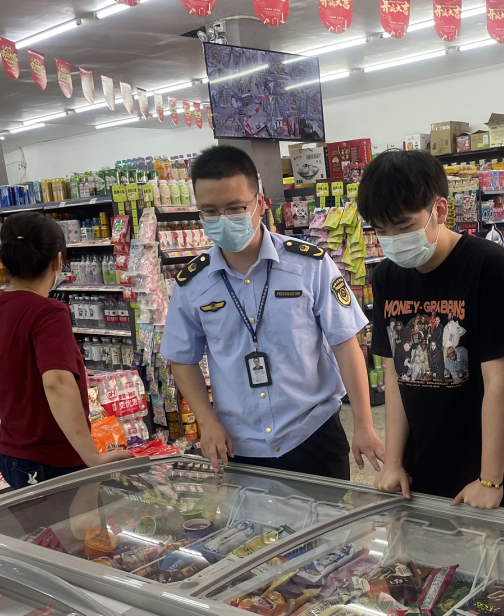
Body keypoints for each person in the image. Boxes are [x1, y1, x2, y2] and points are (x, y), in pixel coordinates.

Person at [161, 145, 383, 480]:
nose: (223, 220)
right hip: (238, 444)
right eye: (210, 211)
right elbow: (181, 358)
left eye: (235, 208)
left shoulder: (310, 265)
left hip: (313, 435)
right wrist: (206, 421)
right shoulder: (192, 283)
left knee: (329, 517)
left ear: (261, 203)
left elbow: (344, 343)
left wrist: (364, 425)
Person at [357, 149, 504, 510]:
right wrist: (394, 461)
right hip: (421, 463)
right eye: (381, 231)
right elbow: (395, 376)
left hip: (490, 462)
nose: (393, 240)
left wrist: (490, 479)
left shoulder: (490, 267)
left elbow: (499, 381)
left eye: (404, 227)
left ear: (440, 210)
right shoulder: (385, 277)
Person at [0, 212, 130, 489]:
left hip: (11, 453)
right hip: (52, 459)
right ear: (57, 261)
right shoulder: (49, 312)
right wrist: (91, 456)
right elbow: (57, 382)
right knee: (79, 519)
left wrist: (22, 396)